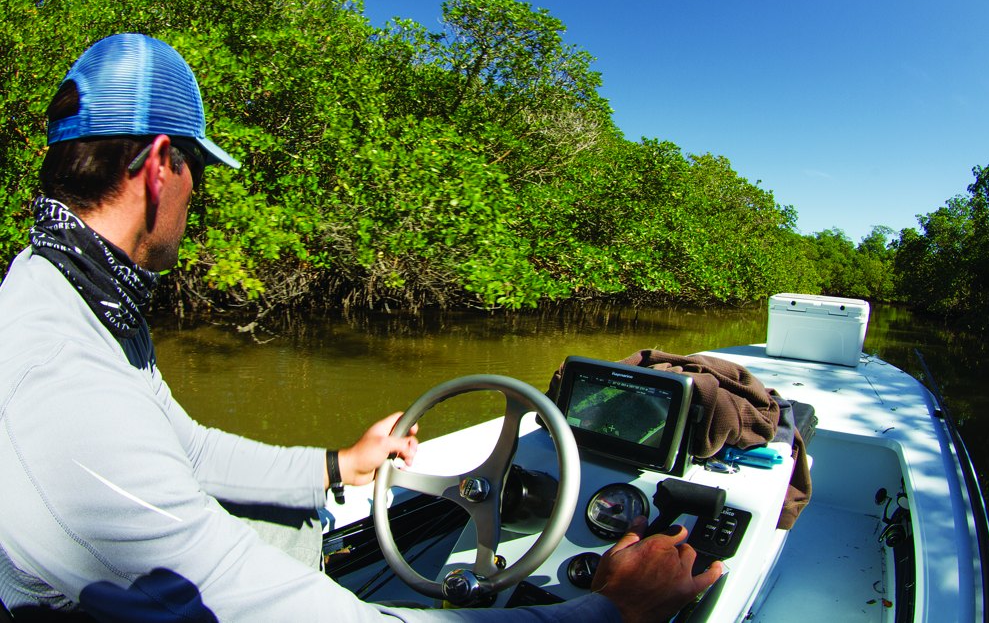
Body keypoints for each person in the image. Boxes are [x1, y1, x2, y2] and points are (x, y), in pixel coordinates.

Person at [0, 33, 721, 622]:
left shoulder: (73, 292)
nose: (199, 201)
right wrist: (608, 609)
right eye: (199, 172)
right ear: (161, 166)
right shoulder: (63, 376)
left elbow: (185, 448)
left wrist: (338, 464)